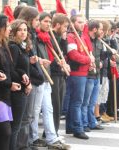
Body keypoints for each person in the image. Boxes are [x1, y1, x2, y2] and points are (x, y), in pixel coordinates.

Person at [32, 12, 70, 149]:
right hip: (40, 77)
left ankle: (51, 137)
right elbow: (38, 58)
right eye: (45, 21)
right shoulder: (36, 37)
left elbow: (56, 55)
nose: (48, 24)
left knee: (49, 108)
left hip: (47, 77)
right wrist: (54, 63)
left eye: (49, 21)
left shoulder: (46, 37)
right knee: (35, 110)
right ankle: (33, 138)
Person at [0, 13, 21, 150]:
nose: (9, 29)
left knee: (5, 133)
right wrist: (8, 83)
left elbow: (10, 69)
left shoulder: (3, 45)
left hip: (5, 95)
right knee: (4, 132)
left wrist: (23, 77)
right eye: (7, 26)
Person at [17, 6, 45, 149]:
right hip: (26, 80)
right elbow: (18, 61)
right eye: (36, 20)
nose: (38, 22)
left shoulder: (31, 35)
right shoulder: (18, 40)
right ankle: (23, 145)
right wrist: (31, 61)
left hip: (32, 77)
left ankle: (27, 142)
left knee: (30, 115)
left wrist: (36, 60)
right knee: (25, 116)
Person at [65, 14, 94, 139]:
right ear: (72, 23)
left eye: (83, 22)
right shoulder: (71, 37)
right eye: (79, 22)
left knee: (75, 102)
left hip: (83, 73)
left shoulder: (82, 37)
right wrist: (88, 60)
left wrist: (89, 64)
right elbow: (73, 55)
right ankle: (77, 128)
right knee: (77, 102)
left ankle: (71, 126)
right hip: (76, 74)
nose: (82, 24)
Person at [9, 19, 32, 150]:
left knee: (18, 124)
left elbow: (21, 68)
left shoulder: (22, 46)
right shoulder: (13, 46)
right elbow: (12, 68)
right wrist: (26, 82)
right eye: (20, 30)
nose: (23, 32)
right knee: (15, 126)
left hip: (23, 88)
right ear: (14, 31)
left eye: (25, 29)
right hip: (17, 90)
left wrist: (28, 82)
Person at [81, 20, 104, 131]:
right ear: (94, 29)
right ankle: (84, 123)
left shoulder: (99, 41)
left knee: (93, 102)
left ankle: (92, 122)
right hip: (88, 75)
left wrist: (102, 61)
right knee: (85, 101)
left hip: (97, 74)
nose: (102, 31)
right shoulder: (84, 40)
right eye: (100, 29)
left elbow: (100, 56)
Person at [50, 13, 70, 135]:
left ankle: (54, 131)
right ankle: (52, 132)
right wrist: (58, 63)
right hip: (53, 74)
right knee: (55, 105)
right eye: (64, 27)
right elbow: (51, 56)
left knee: (59, 105)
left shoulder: (59, 37)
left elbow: (63, 52)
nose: (66, 30)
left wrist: (63, 39)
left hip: (60, 75)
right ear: (57, 25)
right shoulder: (50, 37)